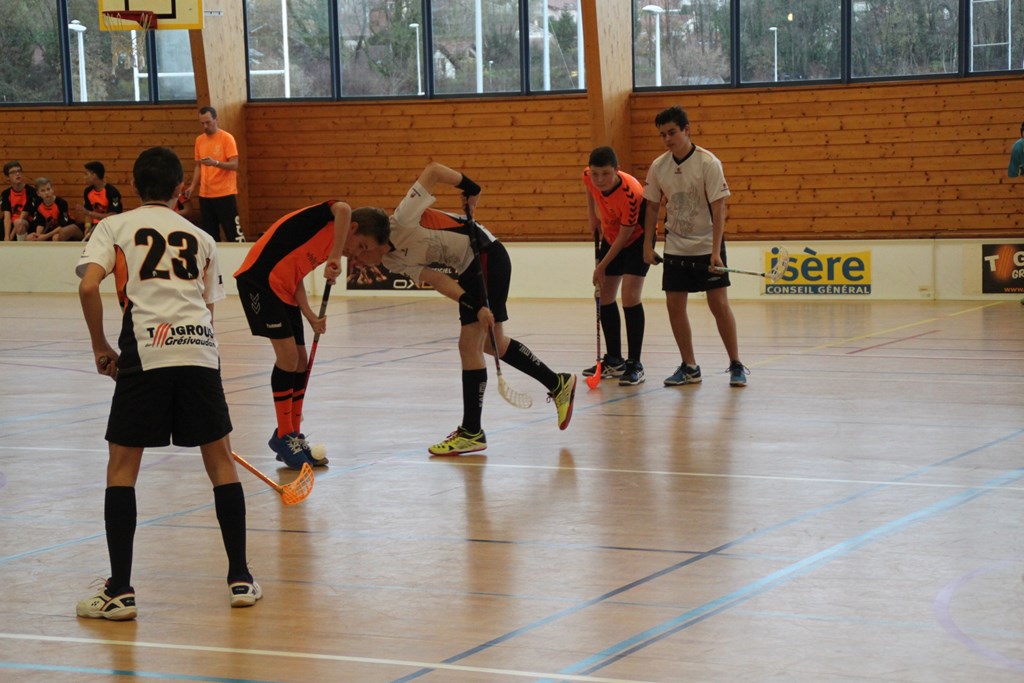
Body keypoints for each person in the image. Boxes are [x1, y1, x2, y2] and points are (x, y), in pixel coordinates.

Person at [75, 146, 259, 621]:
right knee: (221, 463)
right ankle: (240, 578)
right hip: (199, 349)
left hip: (146, 348)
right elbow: (208, 310)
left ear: (134, 186)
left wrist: (101, 347)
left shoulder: (113, 226)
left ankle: (121, 591)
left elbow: (88, 285)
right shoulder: (203, 237)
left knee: (122, 469)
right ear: (182, 189)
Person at [351, 162, 577, 456]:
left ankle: (472, 431)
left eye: (361, 248)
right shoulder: (391, 262)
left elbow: (433, 171)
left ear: (376, 238)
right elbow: (438, 280)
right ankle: (558, 383)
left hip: (485, 256)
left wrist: (471, 187)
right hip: (470, 268)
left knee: (470, 345)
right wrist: (471, 304)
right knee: (493, 344)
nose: (357, 257)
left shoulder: (404, 218)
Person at [234, 201, 391, 469]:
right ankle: (284, 435)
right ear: (352, 228)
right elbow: (344, 208)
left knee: (301, 361)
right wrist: (334, 255)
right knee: (288, 357)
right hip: (258, 281)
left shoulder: (328, 245)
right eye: (361, 245)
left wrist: (309, 315)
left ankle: (292, 434)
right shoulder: (325, 221)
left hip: (283, 290)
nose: (355, 253)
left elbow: (295, 275)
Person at [642, 105, 748, 388]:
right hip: (675, 246)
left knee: (718, 304)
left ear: (686, 130)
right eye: (662, 134)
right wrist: (648, 245)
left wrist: (715, 251)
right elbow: (651, 207)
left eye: (672, 132)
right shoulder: (659, 166)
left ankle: (736, 363)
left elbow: (719, 207)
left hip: (707, 245)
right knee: (674, 306)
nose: (667, 139)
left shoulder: (708, 163)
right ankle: (689, 366)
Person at [581, 146, 650, 386]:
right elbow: (589, 189)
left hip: (637, 239)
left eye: (606, 174)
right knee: (604, 296)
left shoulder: (631, 194)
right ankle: (614, 360)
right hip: (611, 235)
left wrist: (601, 266)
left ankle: (635, 364)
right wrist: (592, 215)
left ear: (617, 170)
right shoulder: (588, 176)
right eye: (596, 174)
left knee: (629, 297)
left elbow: (625, 235)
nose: (599, 180)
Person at [186, 106, 244, 242]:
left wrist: (216, 163)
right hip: (205, 195)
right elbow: (199, 166)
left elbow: (234, 164)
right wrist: (193, 186)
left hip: (224, 194)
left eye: (208, 122)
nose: (205, 126)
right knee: (210, 235)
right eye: (202, 123)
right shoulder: (199, 140)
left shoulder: (226, 138)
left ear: (216, 120)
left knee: (233, 233)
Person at [26, 177, 81, 241]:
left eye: (48, 189)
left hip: (63, 229)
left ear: (52, 189)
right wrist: (38, 236)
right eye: (43, 191)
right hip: (49, 230)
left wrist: (44, 237)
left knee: (55, 237)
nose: (46, 192)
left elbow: (62, 225)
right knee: (29, 238)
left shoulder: (61, 203)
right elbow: (40, 223)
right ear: (38, 193)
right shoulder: (38, 203)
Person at [79, 161, 124, 240]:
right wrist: (88, 227)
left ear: (94, 175)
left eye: (86, 174)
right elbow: (88, 214)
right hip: (96, 226)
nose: (84, 177)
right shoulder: (88, 191)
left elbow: (112, 216)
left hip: (111, 227)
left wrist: (89, 213)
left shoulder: (112, 192)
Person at [2, 161, 38, 241]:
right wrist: (6, 236)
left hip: (27, 223)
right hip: (12, 224)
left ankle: (21, 246)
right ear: (7, 177)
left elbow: (23, 215)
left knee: (19, 223)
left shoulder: (31, 191)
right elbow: (7, 217)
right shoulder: (5, 194)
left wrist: (10, 237)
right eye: (13, 172)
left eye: (19, 171)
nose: (17, 174)